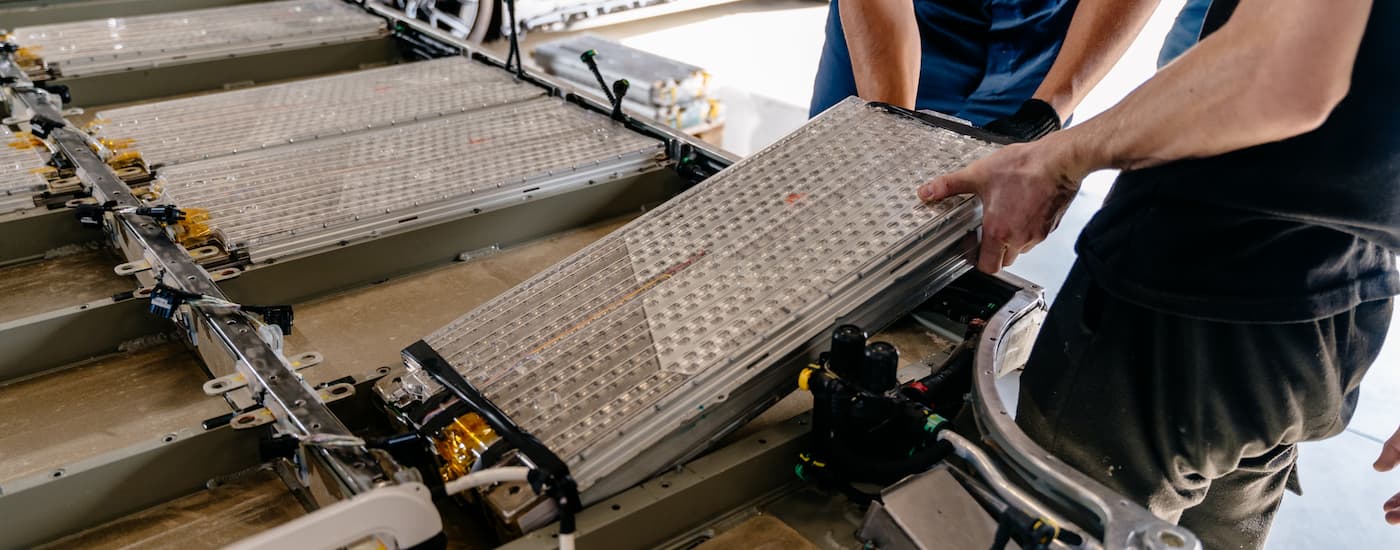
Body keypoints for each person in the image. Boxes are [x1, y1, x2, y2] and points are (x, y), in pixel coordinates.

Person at [916, 0, 1399, 547]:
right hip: (1337, 315)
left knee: (1058, 526)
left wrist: (1053, 157)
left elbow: (1282, 68)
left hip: (1181, 308)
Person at [810, 0, 1206, 142]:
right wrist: (887, 127)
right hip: (909, 25)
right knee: (834, 204)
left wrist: (1046, 114)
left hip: (1043, 46)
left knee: (979, 238)